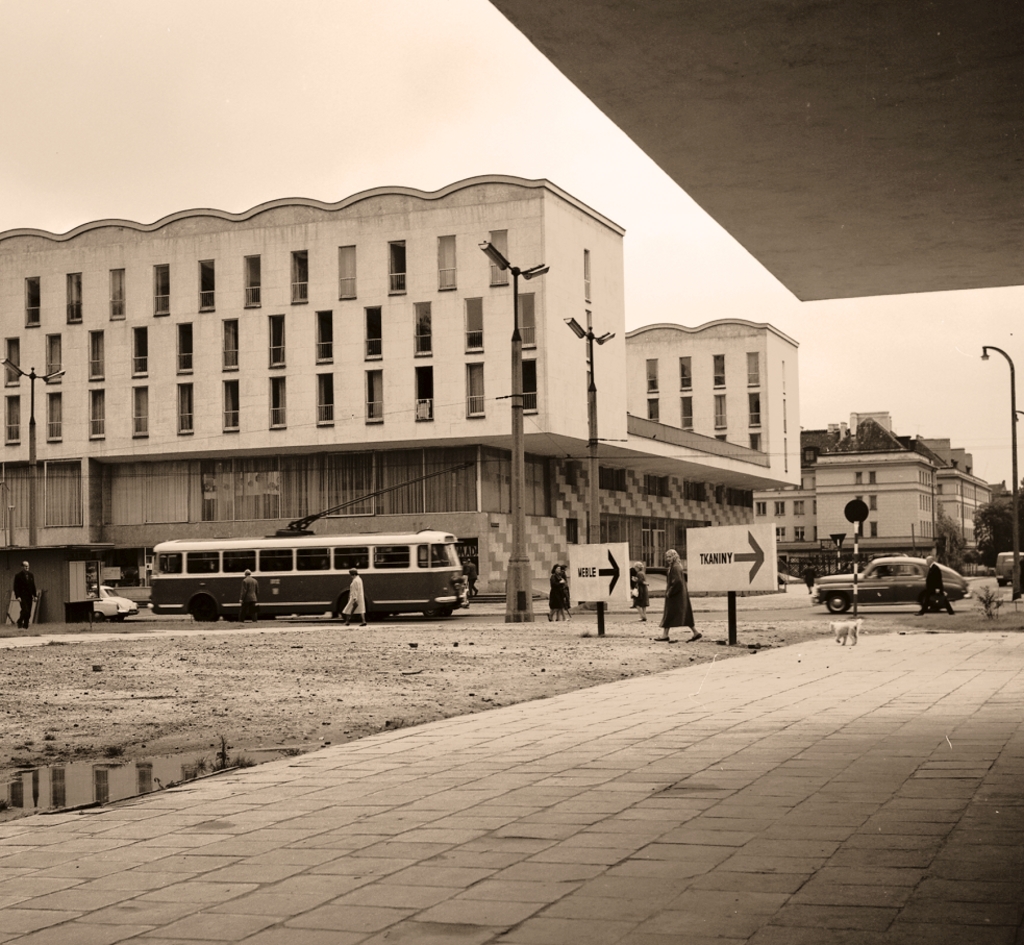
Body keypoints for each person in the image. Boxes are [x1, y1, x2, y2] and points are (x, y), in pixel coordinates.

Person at [654, 549, 700, 642]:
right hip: (679, 595)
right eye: (667, 557)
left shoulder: (675, 567)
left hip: (675, 596)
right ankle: (695, 632)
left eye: (670, 557)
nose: (668, 559)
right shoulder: (677, 566)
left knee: (669, 614)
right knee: (683, 614)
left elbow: (677, 581)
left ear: (674, 557)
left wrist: (670, 592)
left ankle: (665, 635)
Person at [13, 561, 36, 630]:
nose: (27, 568)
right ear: (22, 567)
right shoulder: (18, 576)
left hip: (29, 596)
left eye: (28, 566)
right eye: (25, 566)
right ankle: (19, 621)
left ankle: (25, 626)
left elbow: (33, 586)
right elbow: (16, 587)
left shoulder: (31, 575)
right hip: (22, 596)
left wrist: (35, 595)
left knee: (28, 612)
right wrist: (18, 596)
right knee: (25, 610)